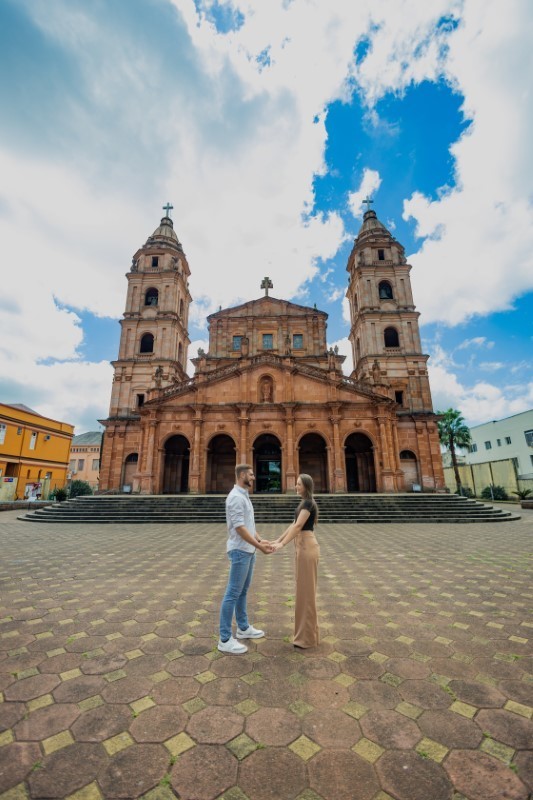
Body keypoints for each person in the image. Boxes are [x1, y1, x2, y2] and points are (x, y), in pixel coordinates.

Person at [218, 464, 273, 655]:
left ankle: (243, 627)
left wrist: (260, 540)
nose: (254, 477)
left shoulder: (244, 495)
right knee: (232, 593)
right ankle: (225, 639)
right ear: (242, 475)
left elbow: (249, 525)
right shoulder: (235, 497)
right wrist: (259, 545)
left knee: (242, 591)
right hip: (240, 551)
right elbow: (240, 528)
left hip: (248, 550)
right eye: (251, 474)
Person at [272, 474, 320, 648]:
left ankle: (307, 639)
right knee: (303, 592)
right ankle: (305, 636)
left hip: (307, 547)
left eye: (299, 484)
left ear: (306, 486)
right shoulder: (303, 503)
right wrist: (278, 540)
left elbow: (299, 526)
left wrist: (282, 544)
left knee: (306, 594)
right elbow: (293, 524)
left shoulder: (308, 503)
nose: (295, 486)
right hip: (302, 546)